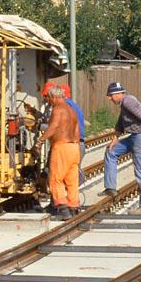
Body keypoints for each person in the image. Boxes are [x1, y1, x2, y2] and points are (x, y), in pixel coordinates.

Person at [99, 81, 141, 212]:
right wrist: (115, 139)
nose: (109, 98)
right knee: (111, 151)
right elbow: (120, 124)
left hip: (140, 137)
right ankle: (110, 188)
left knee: (140, 172)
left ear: (118, 94)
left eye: (110, 95)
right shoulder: (123, 104)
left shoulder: (128, 101)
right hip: (133, 138)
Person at [37, 85, 81, 220]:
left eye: (49, 99)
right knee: (71, 179)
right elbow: (77, 131)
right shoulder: (72, 110)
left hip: (61, 147)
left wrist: (41, 140)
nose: (49, 101)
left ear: (54, 97)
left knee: (56, 178)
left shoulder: (58, 109)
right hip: (74, 147)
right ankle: (73, 207)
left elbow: (54, 126)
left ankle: (62, 209)